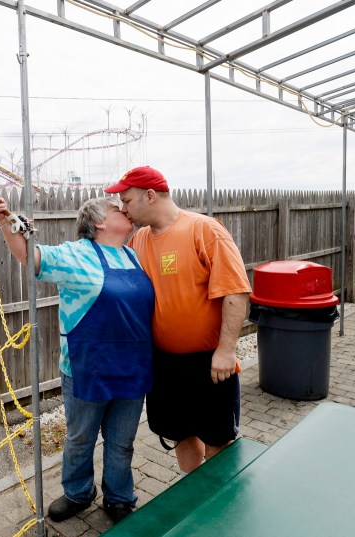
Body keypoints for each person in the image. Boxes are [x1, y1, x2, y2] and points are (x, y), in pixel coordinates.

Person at [0, 195, 154, 524]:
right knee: (80, 439)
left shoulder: (132, 255)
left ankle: (119, 496)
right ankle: (78, 493)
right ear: (99, 222)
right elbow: (27, 255)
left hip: (132, 366)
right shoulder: (75, 254)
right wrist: (5, 220)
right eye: (117, 209)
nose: (126, 211)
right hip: (87, 367)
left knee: (122, 441)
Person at [105, 166, 251, 474]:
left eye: (127, 200)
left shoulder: (204, 230)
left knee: (218, 439)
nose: (123, 208)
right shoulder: (139, 240)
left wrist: (226, 350)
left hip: (209, 363)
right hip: (162, 364)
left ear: (149, 196)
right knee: (180, 433)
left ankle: (221, 506)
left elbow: (235, 292)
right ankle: (191, 497)